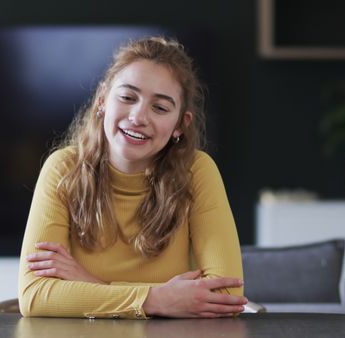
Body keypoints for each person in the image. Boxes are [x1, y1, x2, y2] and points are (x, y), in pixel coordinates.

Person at [18, 36, 247, 319]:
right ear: (102, 101)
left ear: (180, 125)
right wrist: (156, 299)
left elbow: (226, 296)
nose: (138, 116)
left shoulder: (197, 171)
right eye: (127, 97)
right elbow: (35, 296)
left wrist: (90, 284)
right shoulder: (63, 169)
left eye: (160, 108)